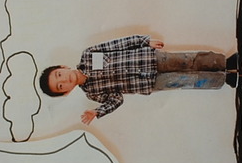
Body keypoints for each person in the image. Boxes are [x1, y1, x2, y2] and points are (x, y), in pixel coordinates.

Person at [40, 35, 232, 124]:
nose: (64, 80)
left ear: (62, 67)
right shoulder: (92, 93)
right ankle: (225, 79)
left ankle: (225, 62)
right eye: (60, 86)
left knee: (188, 60)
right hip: (150, 82)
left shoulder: (88, 55)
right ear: (66, 92)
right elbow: (117, 99)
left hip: (150, 58)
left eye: (59, 75)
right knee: (186, 80)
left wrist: (143, 41)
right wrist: (98, 112)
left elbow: (118, 44)